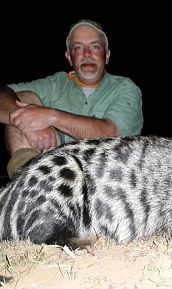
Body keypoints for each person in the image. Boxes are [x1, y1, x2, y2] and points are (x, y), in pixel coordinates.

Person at [0, 19, 143, 178]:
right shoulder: (55, 84)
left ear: (107, 55)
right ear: (69, 57)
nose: (87, 54)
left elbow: (111, 134)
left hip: (109, 180)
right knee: (21, 99)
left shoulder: (125, 88)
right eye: (78, 48)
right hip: (53, 180)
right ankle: (27, 179)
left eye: (95, 47)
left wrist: (51, 116)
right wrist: (26, 120)